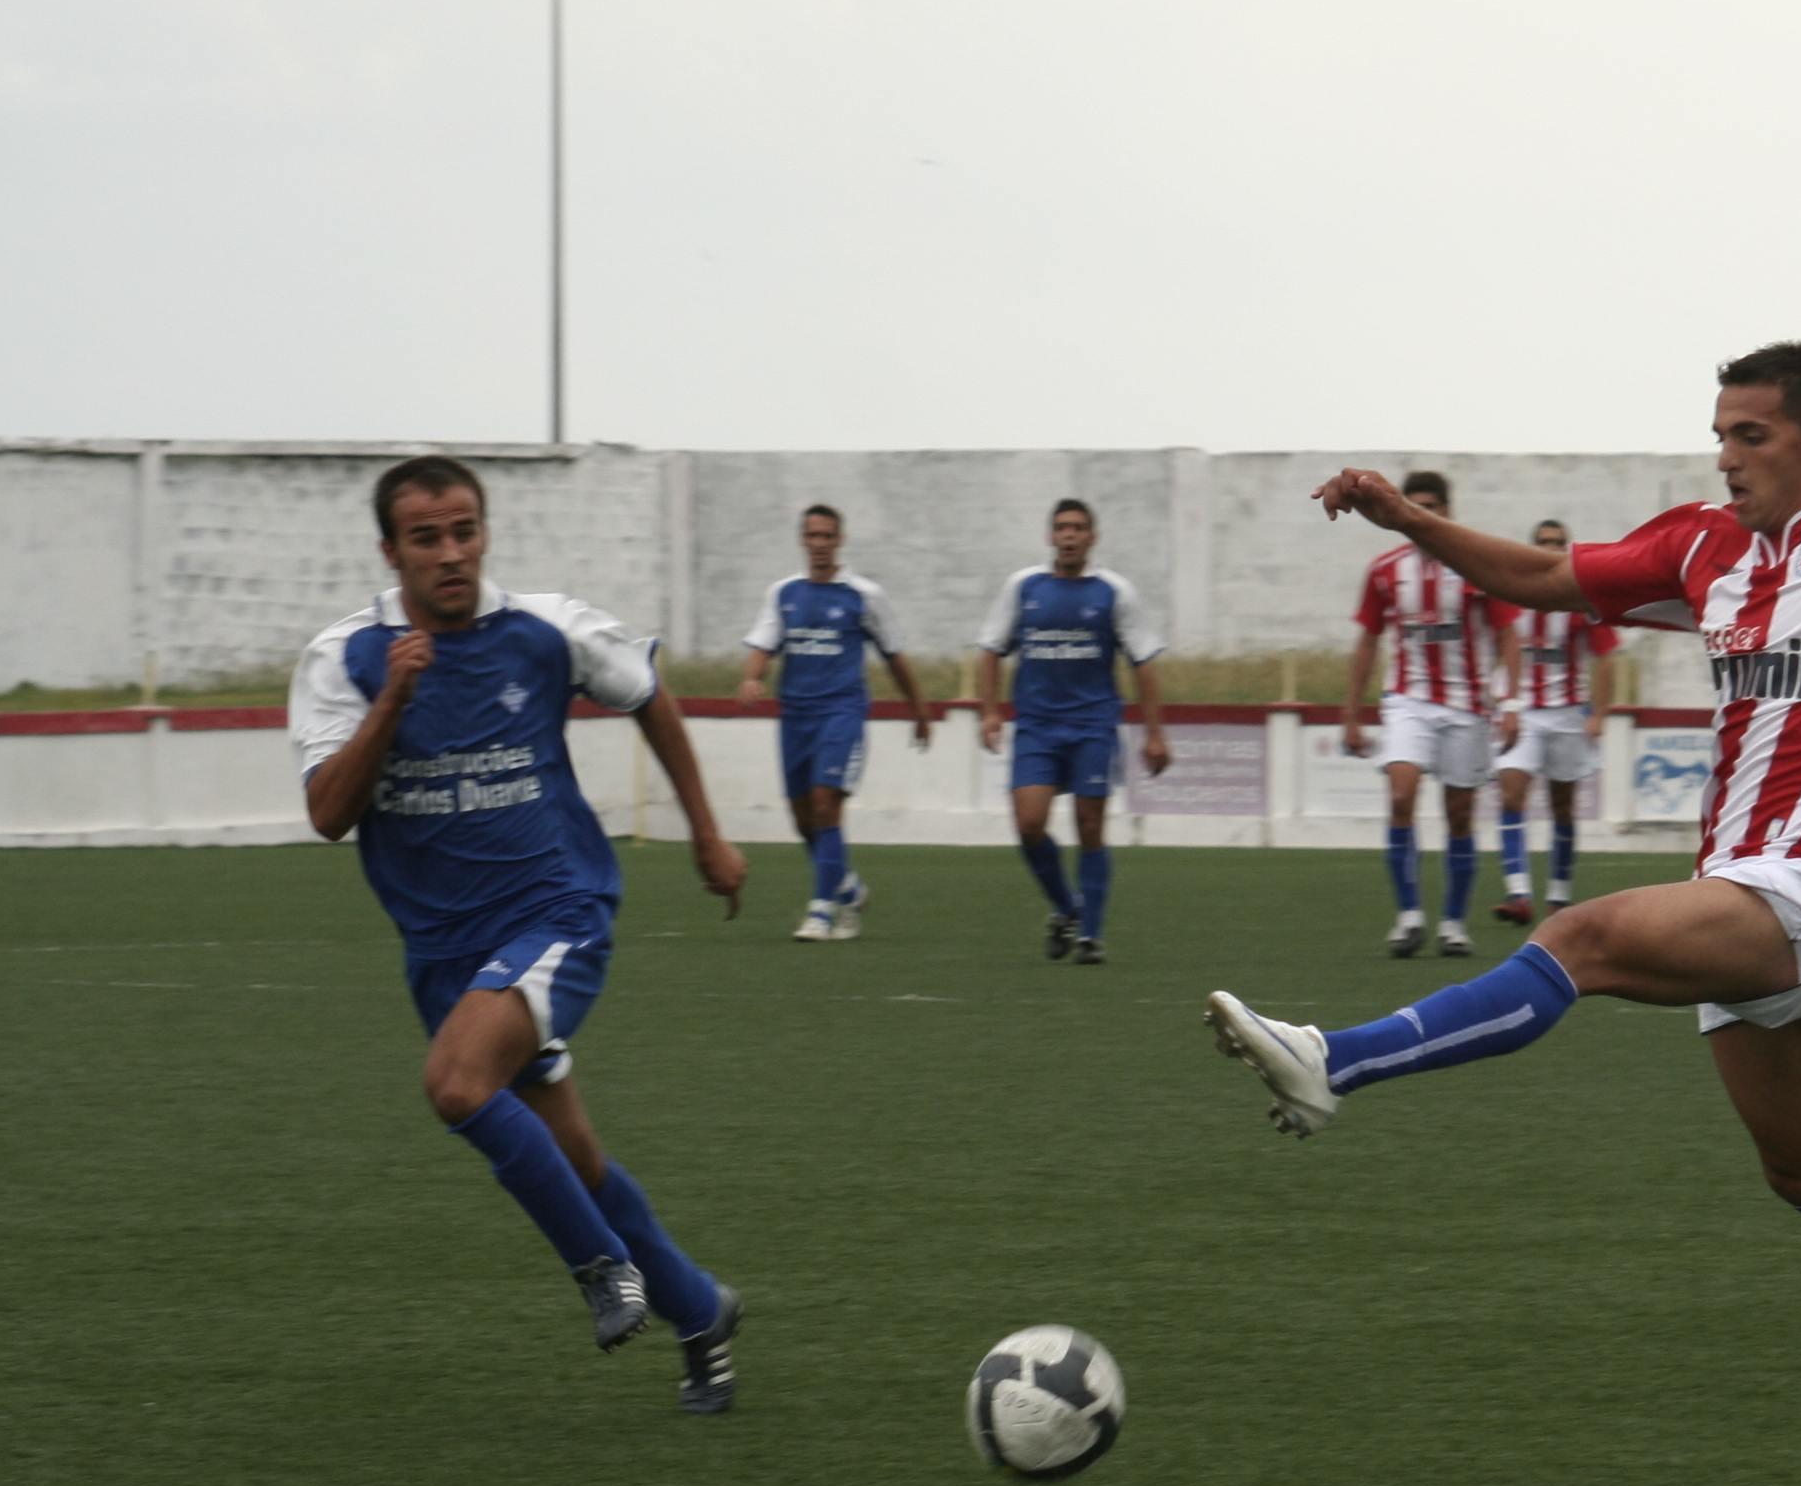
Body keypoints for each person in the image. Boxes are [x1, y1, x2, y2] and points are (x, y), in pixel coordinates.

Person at [1206, 342, 1801, 1486]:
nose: (1727, 457)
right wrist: (1409, 521)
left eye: (1750, 436)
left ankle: (1334, 1063)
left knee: (1580, 939)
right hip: (1740, 880)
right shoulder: (1704, 545)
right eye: (1720, 436)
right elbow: (1545, 577)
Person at [289, 456, 749, 1413]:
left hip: (555, 914)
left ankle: (602, 1267)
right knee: (575, 1160)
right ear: (391, 552)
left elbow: (648, 695)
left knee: (456, 1085)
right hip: (443, 954)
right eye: (427, 539)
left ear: (484, 533)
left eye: (465, 532)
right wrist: (393, 702)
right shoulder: (344, 660)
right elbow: (329, 813)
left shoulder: (546, 629)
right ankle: (700, 1311)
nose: (451, 554)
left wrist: (706, 833)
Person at [977, 499, 1172, 965]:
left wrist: (1154, 734)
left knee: (1090, 825)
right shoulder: (1024, 587)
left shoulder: (1113, 592)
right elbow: (990, 650)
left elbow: (1143, 662)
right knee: (1029, 824)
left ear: (1092, 538)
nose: (1069, 535)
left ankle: (1091, 935)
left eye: (1078, 528)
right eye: (1062, 528)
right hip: (1037, 726)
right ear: (1051, 536)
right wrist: (989, 713)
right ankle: (1067, 906)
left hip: (1092, 725)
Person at [737, 502, 932, 942]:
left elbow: (894, 654)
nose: (820, 544)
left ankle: (822, 912)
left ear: (840, 540)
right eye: (813, 536)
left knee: (826, 802)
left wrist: (919, 709)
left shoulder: (863, 595)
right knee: (803, 818)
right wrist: (752, 678)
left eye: (827, 536)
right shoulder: (784, 593)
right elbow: (764, 644)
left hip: (841, 713)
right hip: (795, 717)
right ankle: (847, 887)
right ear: (802, 540)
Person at [1345, 470, 1500, 957]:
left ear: (1448, 510)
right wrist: (1351, 713)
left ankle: (1453, 923)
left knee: (1460, 813)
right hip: (1407, 699)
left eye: (1431, 507)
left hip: (1467, 704)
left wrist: (1511, 700)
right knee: (1401, 795)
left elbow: (1508, 632)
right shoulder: (1385, 570)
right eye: (1415, 506)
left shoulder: (1475, 565)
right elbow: (1368, 640)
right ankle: (1409, 917)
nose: (1422, 515)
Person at [1489, 518, 1620, 926]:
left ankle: (1559, 897)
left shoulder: (1581, 598)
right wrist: (1500, 700)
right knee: (1511, 795)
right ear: (1533, 547)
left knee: (1563, 807)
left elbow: (1606, 657)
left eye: (1558, 543)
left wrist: (1598, 714)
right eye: (1544, 542)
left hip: (1567, 712)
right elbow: (1495, 643)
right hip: (1523, 710)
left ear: (1566, 548)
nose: (1550, 548)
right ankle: (1518, 894)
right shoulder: (1513, 593)